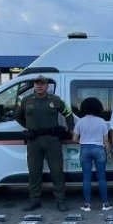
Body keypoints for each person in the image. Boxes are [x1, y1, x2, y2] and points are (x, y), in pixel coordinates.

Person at [15, 75, 74, 212]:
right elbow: (18, 116)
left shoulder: (55, 100)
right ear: (34, 86)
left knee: (57, 172)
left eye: (42, 83)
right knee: (34, 172)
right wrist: (30, 127)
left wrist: (71, 128)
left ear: (47, 86)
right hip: (33, 141)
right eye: (37, 83)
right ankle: (34, 201)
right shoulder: (26, 100)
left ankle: (60, 201)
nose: (39, 86)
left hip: (52, 140)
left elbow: (68, 113)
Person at [73, 97, 113, 212]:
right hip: (99, 149)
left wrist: (83, 141)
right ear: (98, 107)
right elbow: (106, 140)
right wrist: (108, 151)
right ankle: (105, 204)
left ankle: (87, 204)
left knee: (86, 177)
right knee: (101, 177)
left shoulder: (80, 121)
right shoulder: (101, 121)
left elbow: (74, 138)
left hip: (85, 149)